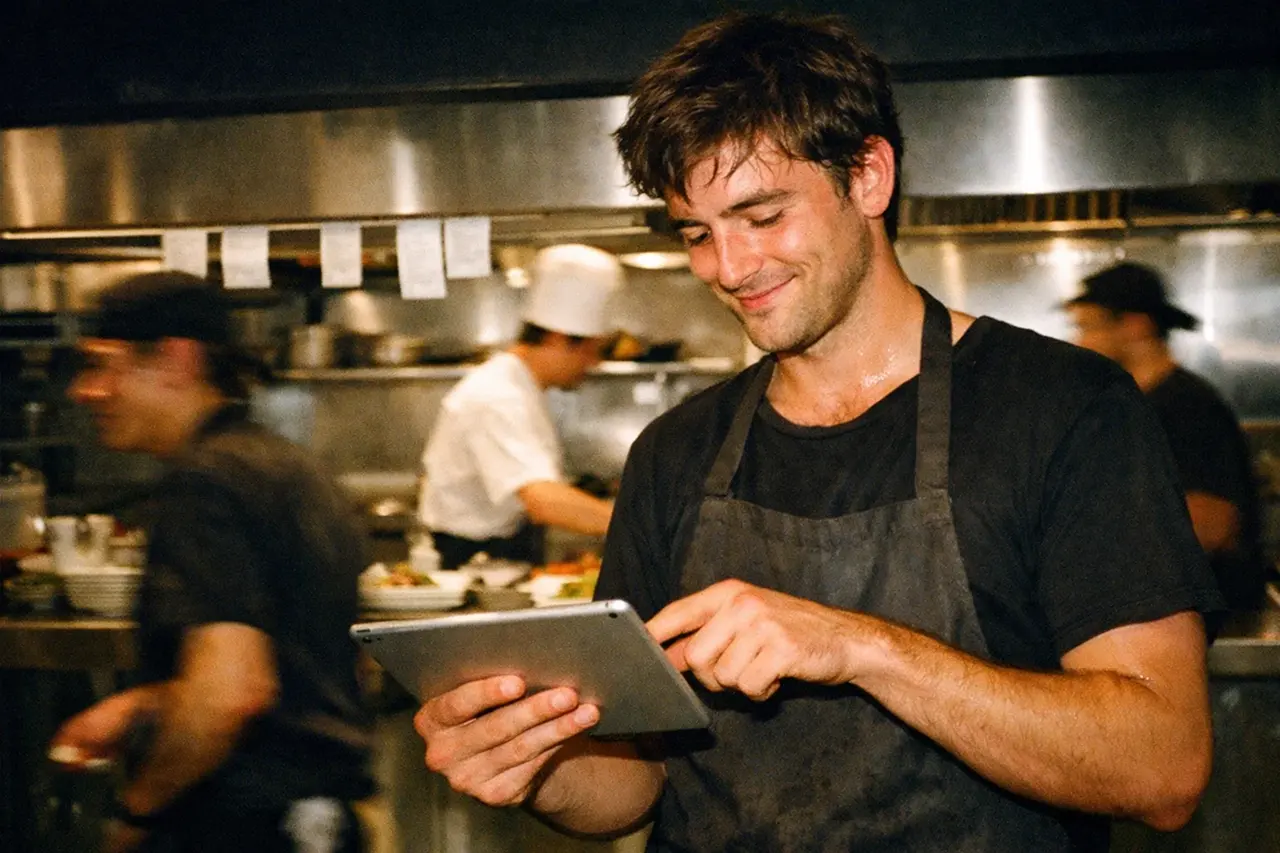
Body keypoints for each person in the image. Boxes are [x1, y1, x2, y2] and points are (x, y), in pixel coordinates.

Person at [411, 12, 1223, 852]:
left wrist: (859, 646)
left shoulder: (1066, 408)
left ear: (869, 177)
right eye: (698, 232)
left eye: (762, 216)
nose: (728, 268)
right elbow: (635, 778)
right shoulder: (675, 452)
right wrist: (536, 760)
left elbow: (1162, 766)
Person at [51, 271, 374, 853]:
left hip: (248, 829)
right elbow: (295, 665)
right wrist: (142, 704)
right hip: (316, 822)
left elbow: (232, 691)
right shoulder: (283, 463)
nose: (85, 390)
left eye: (103, 364)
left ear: (176, 360)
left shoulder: (205, 483)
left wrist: (136, 814)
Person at [1066, 261, 1268, 612]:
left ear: (1135, 325)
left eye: (1089, 327)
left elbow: (1212, 525)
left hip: (1204, 614)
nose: (1079, 342)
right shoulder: (1132, 405)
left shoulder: (1188, 406)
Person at [418, 243, 618, 569]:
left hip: (503, 550)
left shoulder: (521, 386)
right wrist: (634, 528)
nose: (593, 364)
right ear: (557, 339)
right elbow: (543, 501)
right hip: (469, 562)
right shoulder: (497, 396)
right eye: (590, 351)